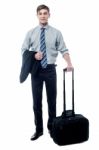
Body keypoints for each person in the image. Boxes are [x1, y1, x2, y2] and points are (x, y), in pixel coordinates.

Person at [21, 4, 73, 141]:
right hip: (36, 70)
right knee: (36, 102)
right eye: (40, 13)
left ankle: (52, 128)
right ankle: (38, 130)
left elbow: (64, 49)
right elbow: (23, 50)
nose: (43, 15)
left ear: (49, 14)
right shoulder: (30, 33)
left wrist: (69, 63)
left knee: (52, 101)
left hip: (50, 70)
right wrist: (33, 55)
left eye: (45, 13)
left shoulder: (56, 32)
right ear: (37, 15)